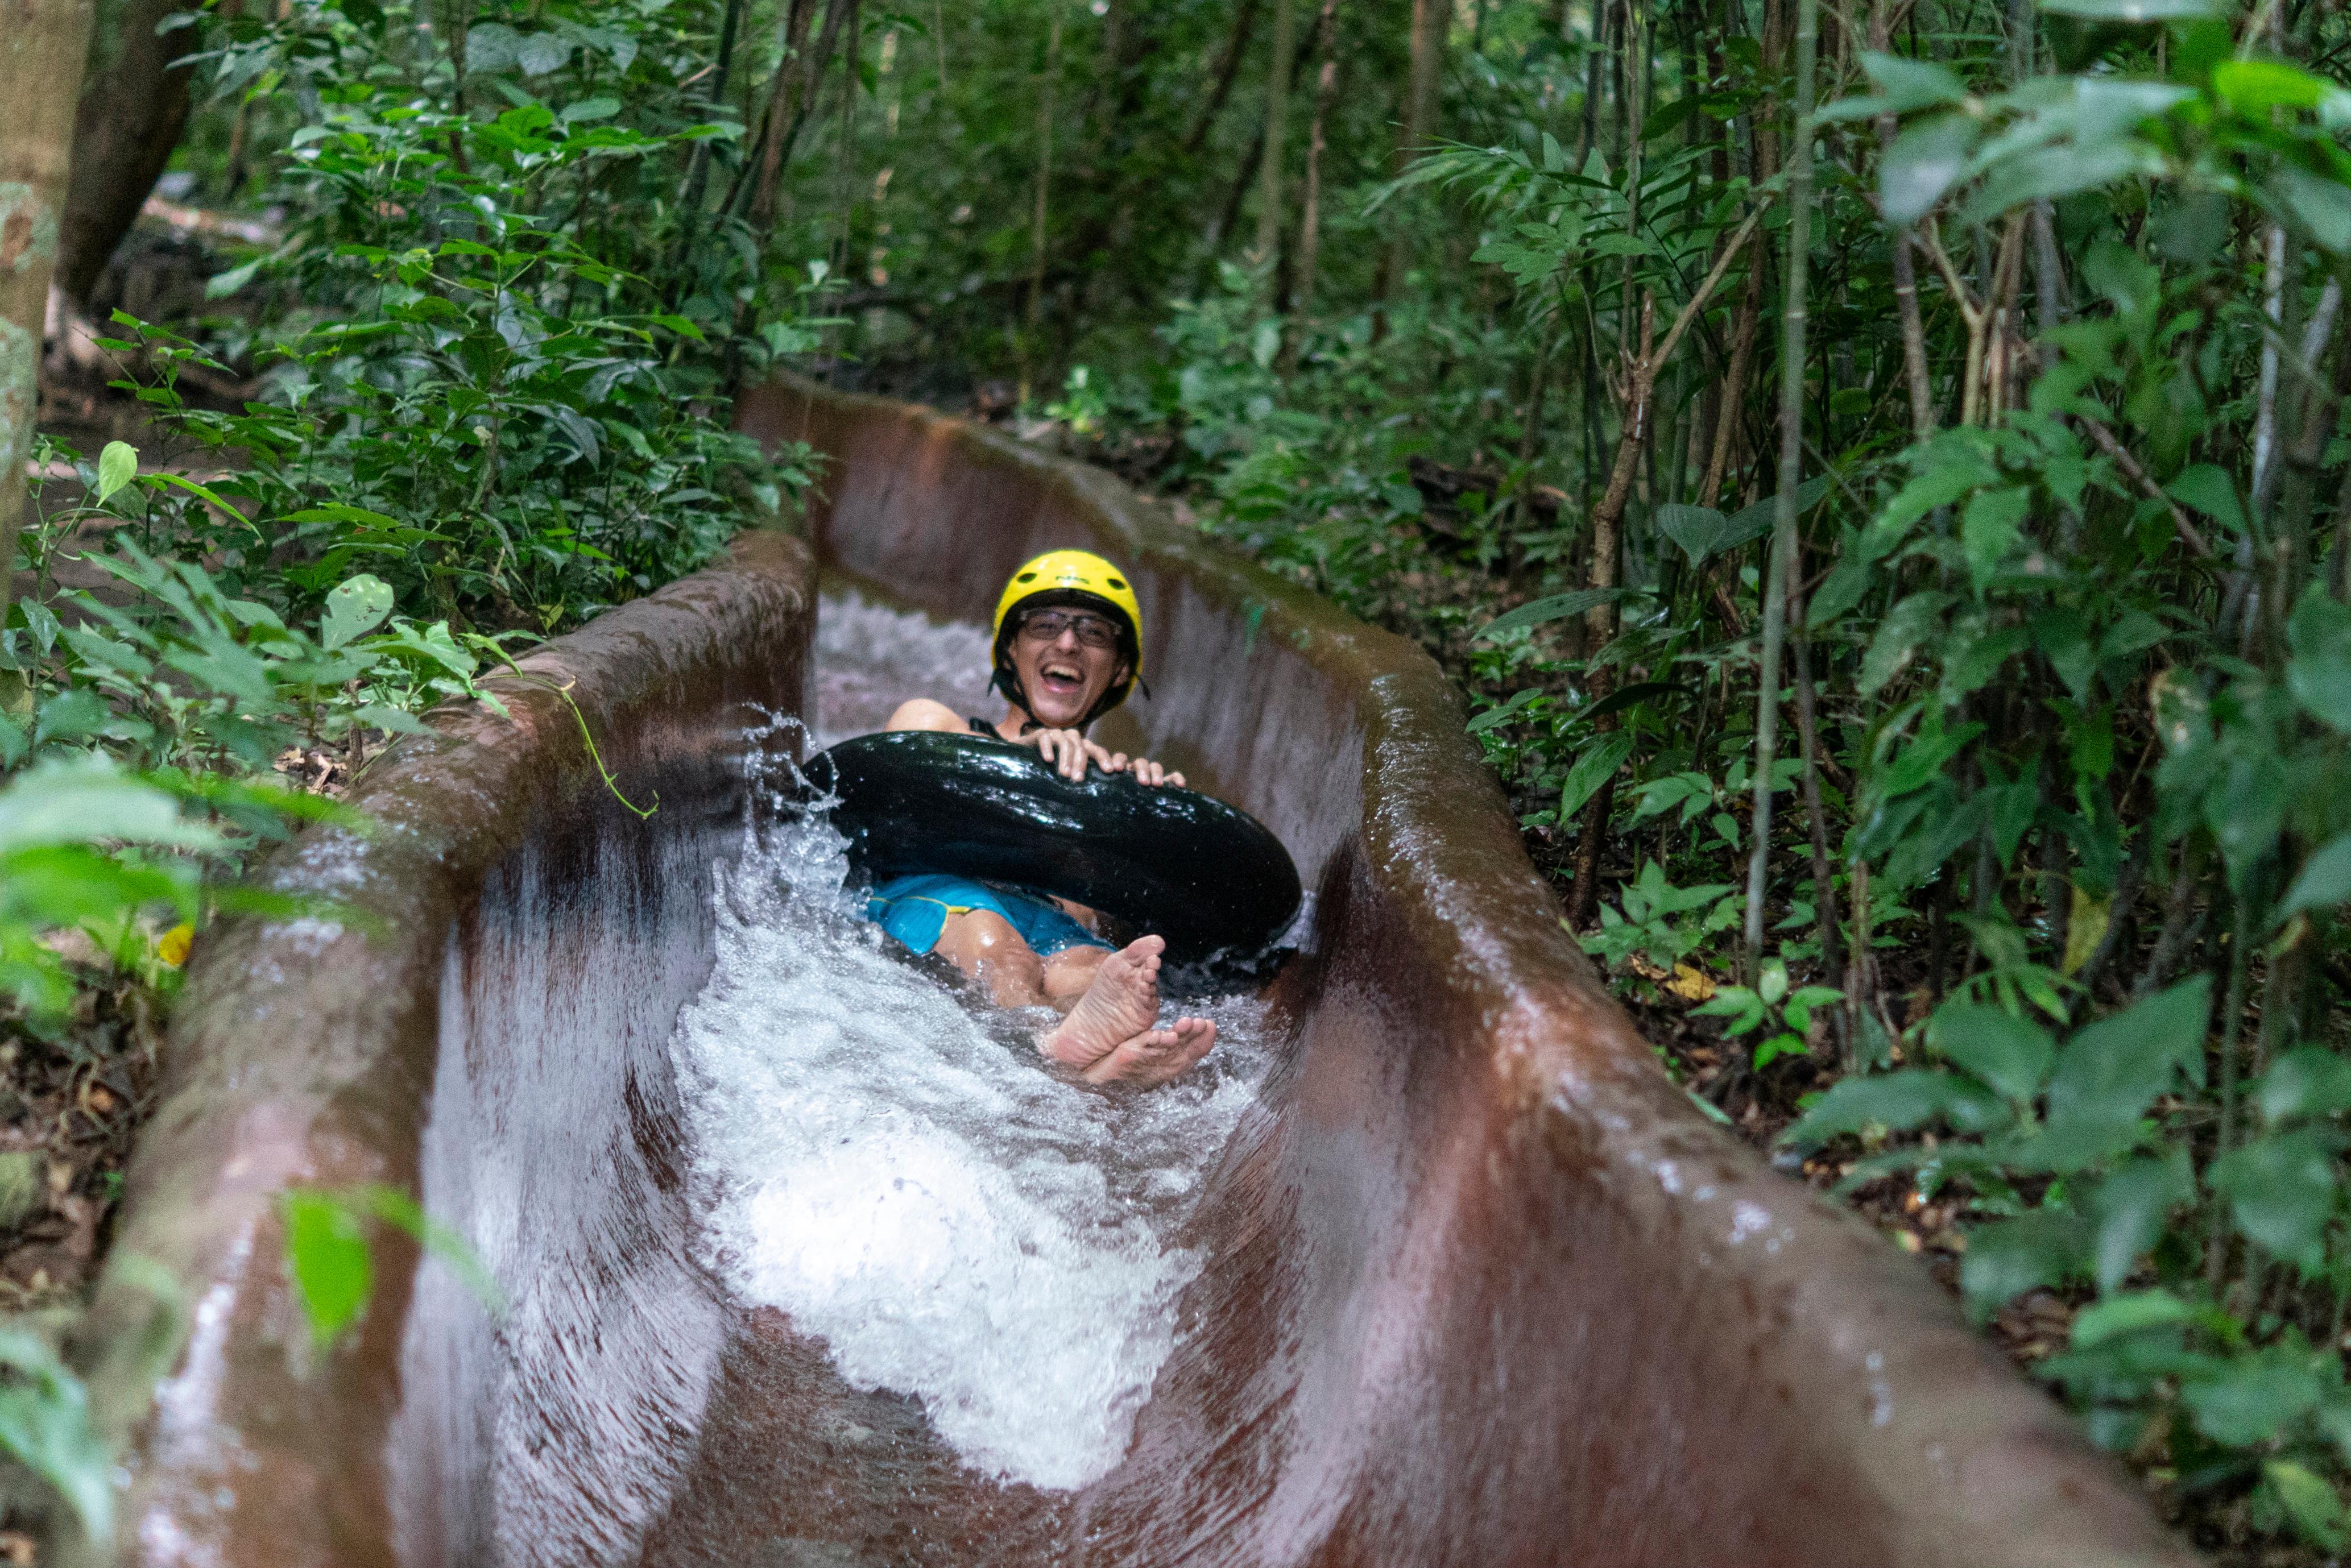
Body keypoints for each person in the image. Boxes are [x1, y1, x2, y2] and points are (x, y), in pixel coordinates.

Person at [871, 550, 1218, 1088]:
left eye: (1094, 634)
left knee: (1098, 969)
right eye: (1045, 625)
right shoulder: (935, 721)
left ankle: (1096, 1056)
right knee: (1003, 952)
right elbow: (894, 790)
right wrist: (1024, 758)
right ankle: (1061, 1057)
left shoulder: (1115, 791)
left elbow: (1127, 921)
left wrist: (1149, 823)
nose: (1067, 644)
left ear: (1120, 670)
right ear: (1012, 649)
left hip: (1057, 928)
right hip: (954, 899)